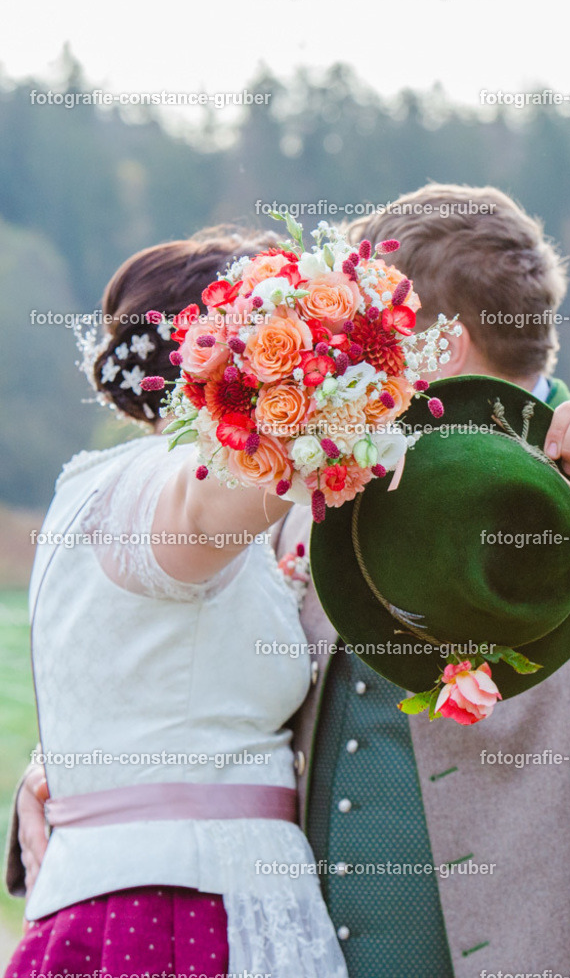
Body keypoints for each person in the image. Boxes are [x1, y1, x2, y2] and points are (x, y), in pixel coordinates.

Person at [9, 185, 570, 975]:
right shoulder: (320, 485)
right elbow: (185, 653)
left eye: (370, 336)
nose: (344, 360)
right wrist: (76, 768)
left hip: (567, 949)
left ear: (440, 350)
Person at [3, 228, 349, 978]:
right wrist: (338, 404)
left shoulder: (85, 487)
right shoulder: (164, 483)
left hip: (166, 886)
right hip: (175, 904)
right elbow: (205, 505)